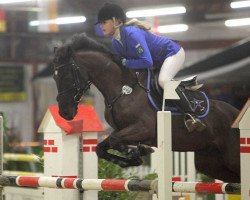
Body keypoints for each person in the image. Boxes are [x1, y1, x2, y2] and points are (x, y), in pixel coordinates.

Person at [96, 3, 205, 132]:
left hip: (171, 53)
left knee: (163, 81)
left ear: (116, 21)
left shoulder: (132, 34)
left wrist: (126, 63)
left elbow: (146, 62)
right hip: (156, 61)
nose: (101, 26)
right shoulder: (115, 42)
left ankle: (191, 115)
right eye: (100, 23)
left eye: (104, 22)